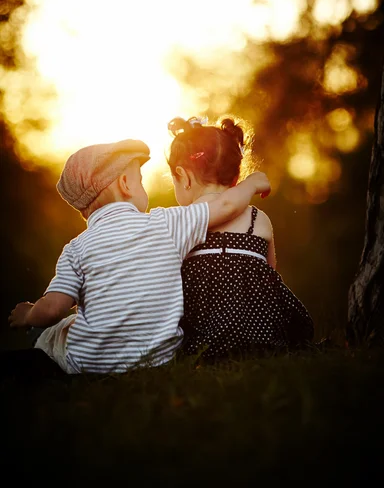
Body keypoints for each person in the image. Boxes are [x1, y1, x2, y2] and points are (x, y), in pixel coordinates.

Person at [7, 138, 270, 375]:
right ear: (125, 184)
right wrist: (252, 183)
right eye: (140, 180)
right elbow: (225, 205)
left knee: (55, 330)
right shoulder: (165, 223)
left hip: (89, 366)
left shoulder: (76, 248)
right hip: (158, 360)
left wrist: (29, 314)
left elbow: (52, 308)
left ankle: (34, 348)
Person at [167, 116, 314, 361]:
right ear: (235, 177)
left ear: (184, 176)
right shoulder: (260, 219)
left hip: (202, 340)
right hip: (261, 335)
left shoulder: (182, 219)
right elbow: (270, 273)